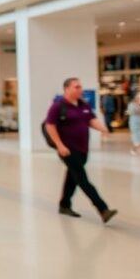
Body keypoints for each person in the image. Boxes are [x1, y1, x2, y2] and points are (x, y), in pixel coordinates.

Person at [45, 77, 118, 223]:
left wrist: (103, 129)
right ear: (67, 89)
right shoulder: (58, 106)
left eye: (80, 87)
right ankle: (103, 209)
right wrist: (59, 145)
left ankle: (64, 205)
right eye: (76, 87)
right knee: (82, 179)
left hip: (83, 149)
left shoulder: (83, 105)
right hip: (68, 150)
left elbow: (90, 120)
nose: (80, 89)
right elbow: (50, 126)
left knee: (72, 177)